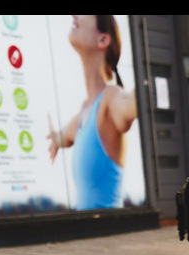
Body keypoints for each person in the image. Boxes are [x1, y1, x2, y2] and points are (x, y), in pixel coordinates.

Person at [47, 15, 138, 210]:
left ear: (103, 40)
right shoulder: (84, 112)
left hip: (110, 235)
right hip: (88, 234)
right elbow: (62, 136)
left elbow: (129, 105)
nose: (74, 16)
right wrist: (54, 138)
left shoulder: (111, 98)